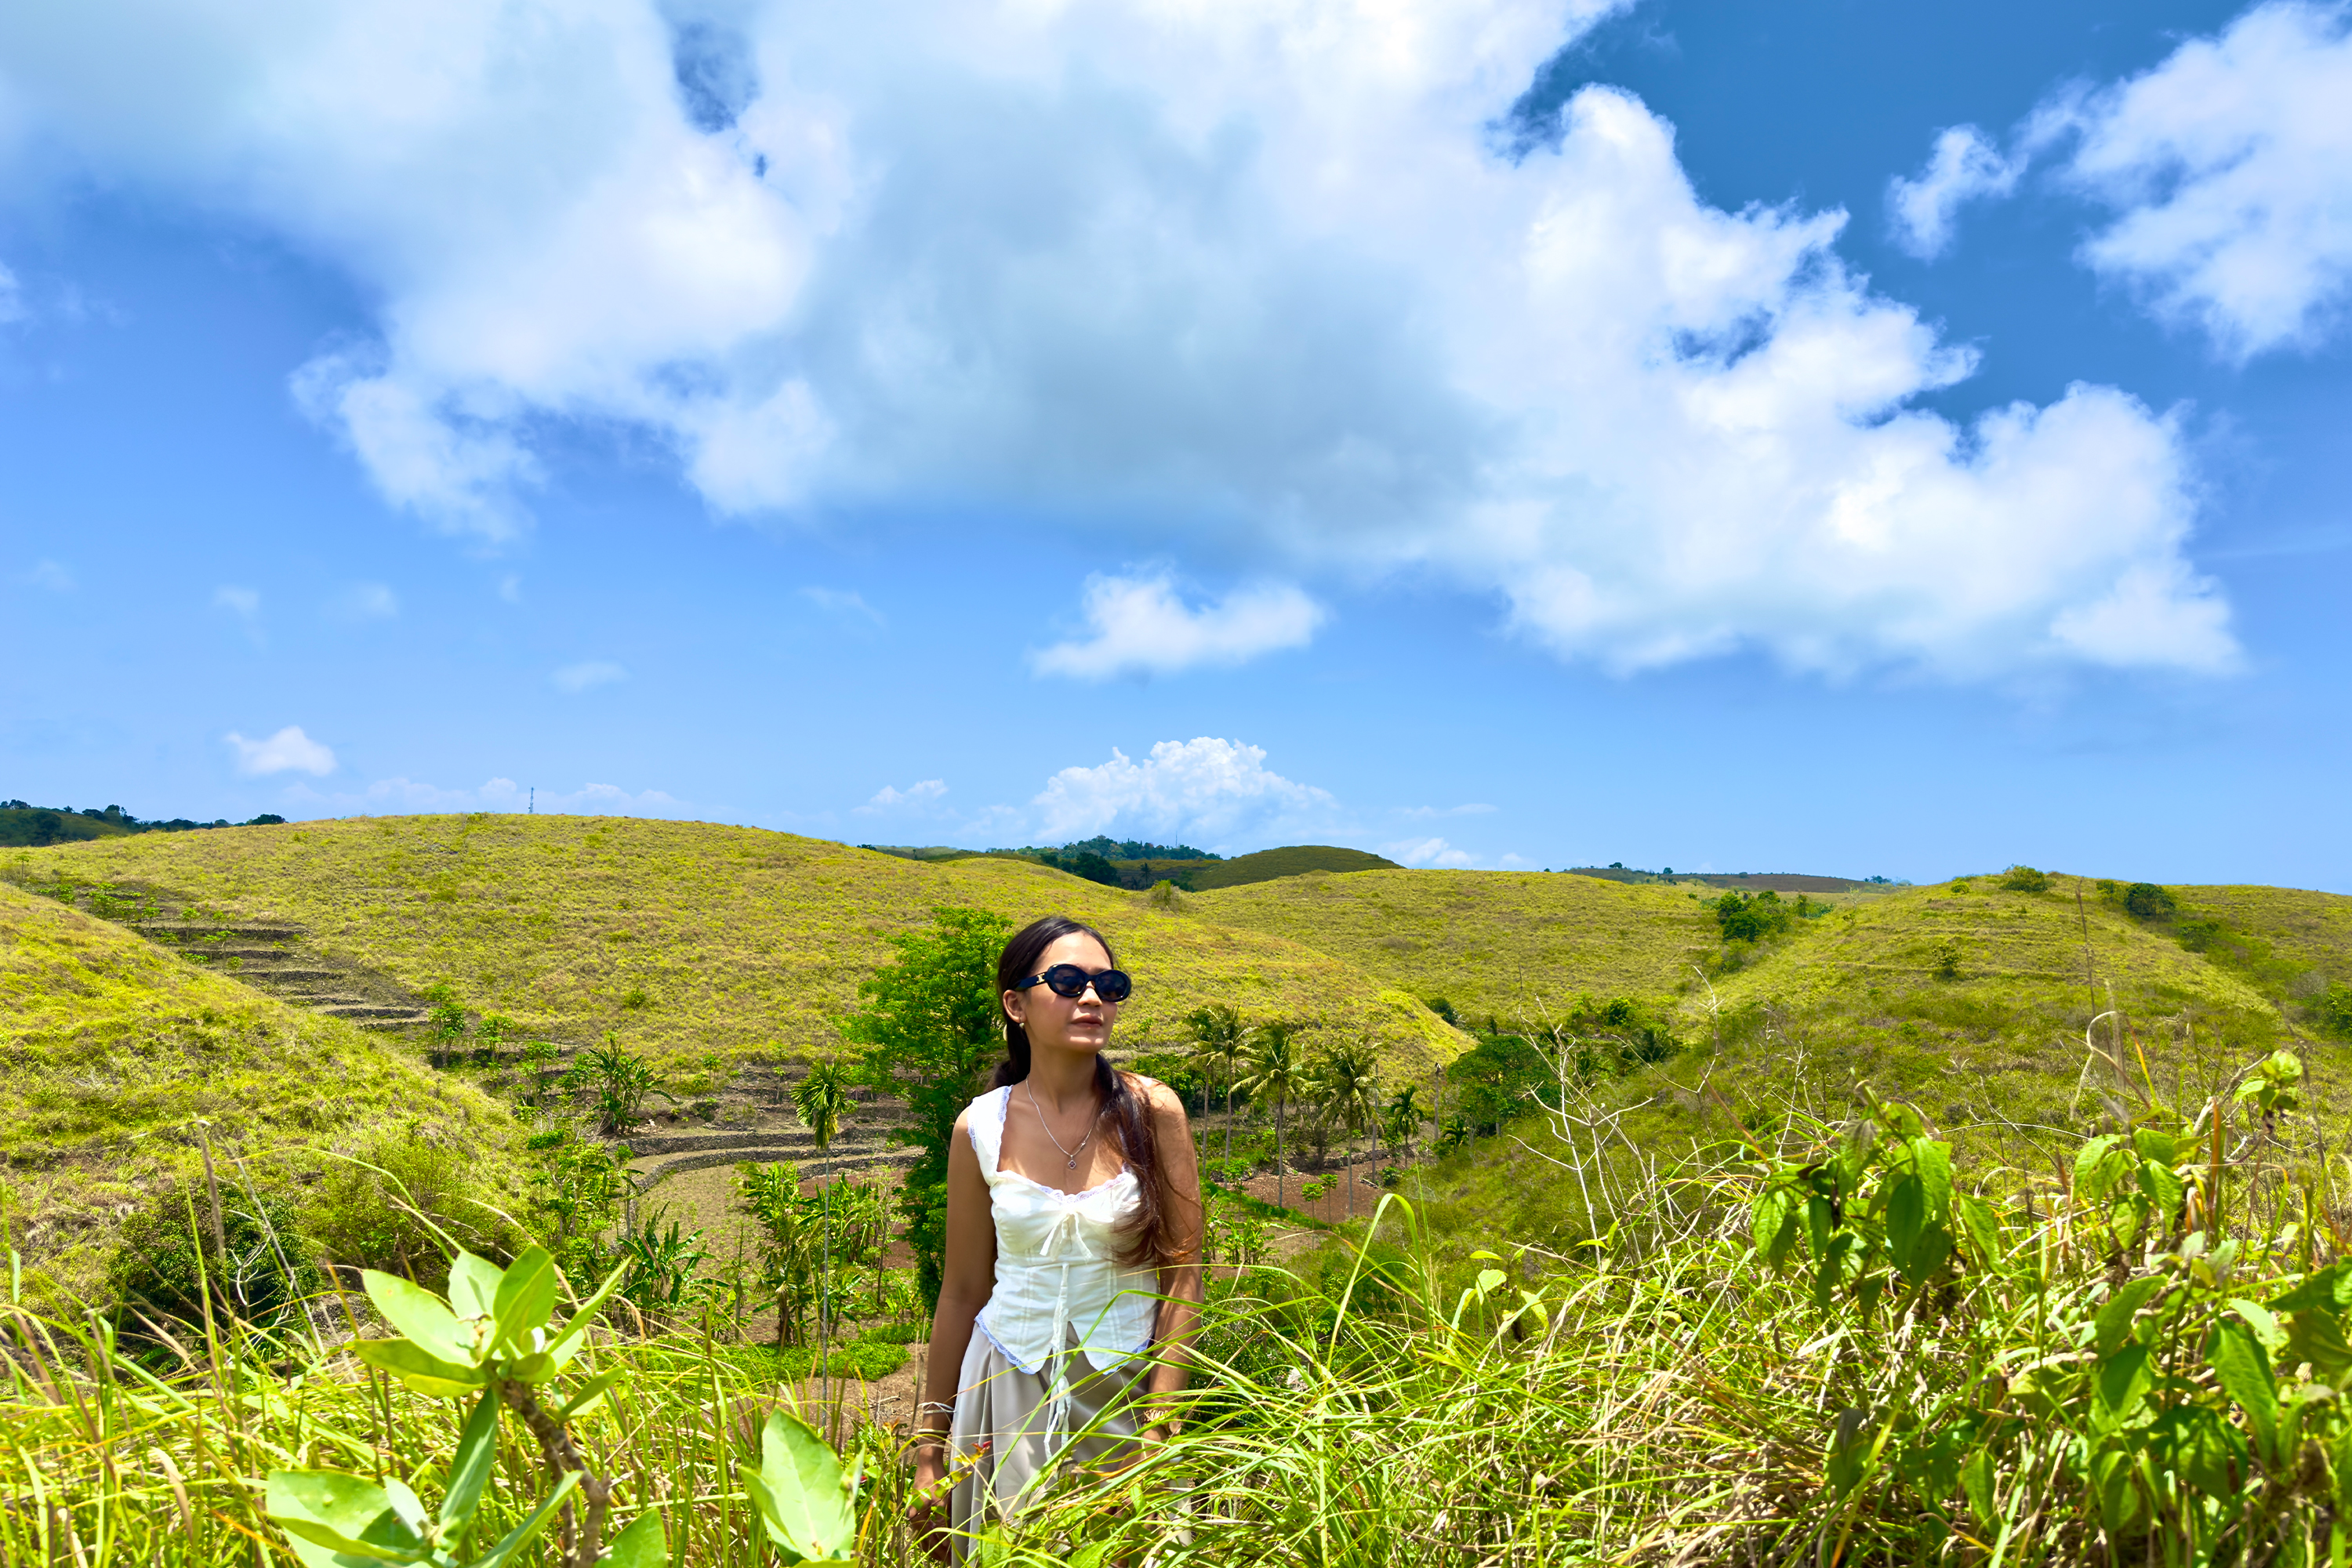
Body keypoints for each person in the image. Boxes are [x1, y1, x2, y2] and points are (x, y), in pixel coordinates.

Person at [909, 914, 1203, 1560]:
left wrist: (1159, 1429)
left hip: (1125, 1389)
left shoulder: (1154, 1112)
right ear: (1016, 1004)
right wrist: (928, 1446)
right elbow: (962, 1291)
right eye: (1069, 982)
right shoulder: (979, 1128)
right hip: (1004, 1389)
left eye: (1109, 984)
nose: (1092, 998)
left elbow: (1183, 1276)